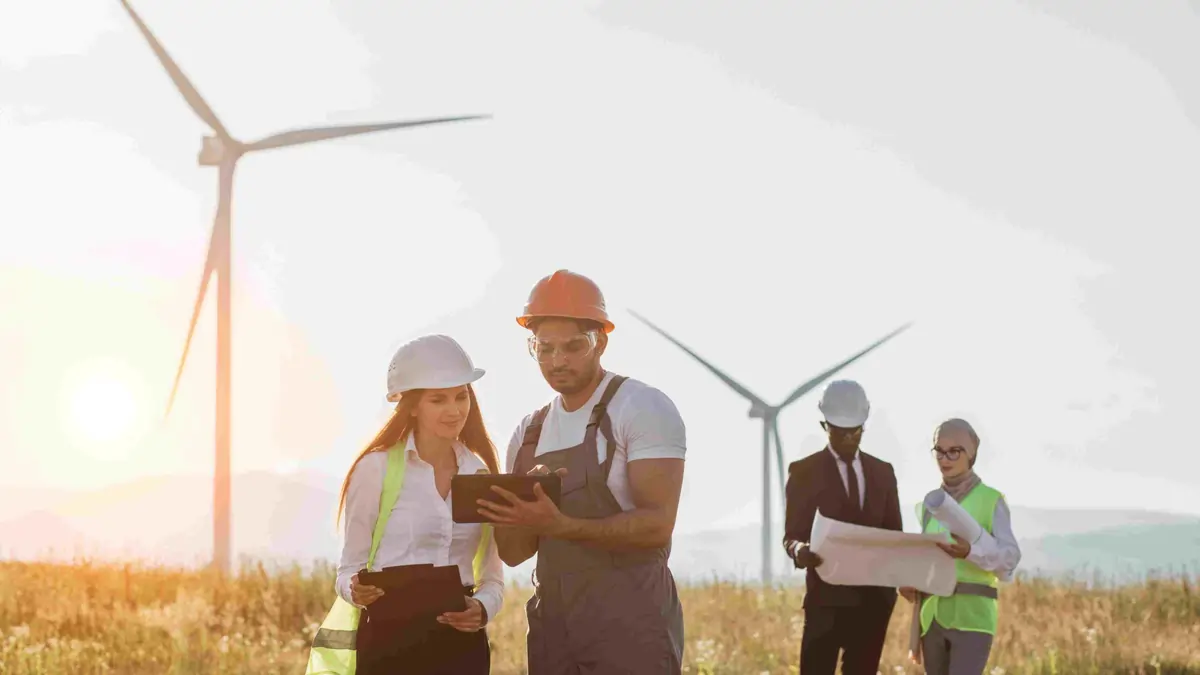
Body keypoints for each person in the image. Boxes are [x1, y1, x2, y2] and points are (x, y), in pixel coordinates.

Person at [476, 269, 688, 674]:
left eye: (573, 346)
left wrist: (559, 525)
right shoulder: (528, 432)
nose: (557, 361)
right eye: (544, 348)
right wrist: (510, 507)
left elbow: (657, 526)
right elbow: (514, 553)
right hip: (553, 632)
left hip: (631, 628)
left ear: (600, 341)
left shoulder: (641, 407)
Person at [334, 334, 505, 675]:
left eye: (461, 396)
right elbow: (346, 572)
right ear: (412, 406)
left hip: (461, 646)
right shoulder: (375, 469)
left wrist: (483, 609)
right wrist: (356, 591)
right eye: (438, 400)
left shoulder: (480, 474)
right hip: (390, 642)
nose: (454, 410)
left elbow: (493, 579)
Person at [782, 379, 904, 675]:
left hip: (873, 605)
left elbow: (894, 537)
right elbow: (792, 536)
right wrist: (800, 551)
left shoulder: (883, 473)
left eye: (855, 431)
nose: (849, 437)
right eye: (840, 431)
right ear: (825, 426)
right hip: (825, 603)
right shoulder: (803, 472)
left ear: (864, 426)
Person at [900, 418, 1021, 675]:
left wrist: (971, 552)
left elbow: (1010, 558)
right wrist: (912, 580)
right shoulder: (928, 505)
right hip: (932, 618)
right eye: (939, 451)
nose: (945, 459)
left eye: (954, 451)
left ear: (972, 453)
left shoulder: (991, 500)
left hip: (972, 617)